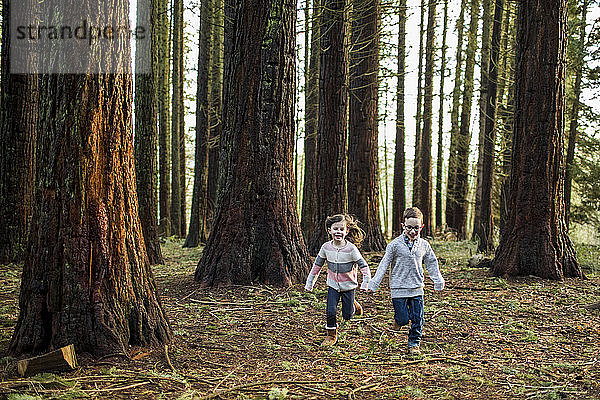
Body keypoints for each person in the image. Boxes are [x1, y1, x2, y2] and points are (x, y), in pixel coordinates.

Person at [367, 207, 444, 356]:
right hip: (398, 288)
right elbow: (384, 264)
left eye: (416, 228)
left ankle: (414, 344)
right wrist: (374, 283)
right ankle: (398, 320)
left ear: (421, 227)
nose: (413, 231)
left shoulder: (424, 245)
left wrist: (437, 280)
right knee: (403, 319)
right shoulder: (394, 245)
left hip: (416, 288)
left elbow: (432, 263)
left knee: (417, 318)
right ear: (403, 226)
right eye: (409, 227)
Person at [305, 214, 371, 346]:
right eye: (335, 229)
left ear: (346, 231)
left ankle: (353, 305)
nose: (338, 232)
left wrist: (365, 282)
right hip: (333, 286)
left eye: (341, 229)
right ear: (329, 230)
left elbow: (364, 266)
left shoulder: (352, 249)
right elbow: (317, 266)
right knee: (330, 311)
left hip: (349, 286)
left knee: (347, 316)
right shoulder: (325, 248)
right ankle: (331, 335)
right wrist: (310, 283)